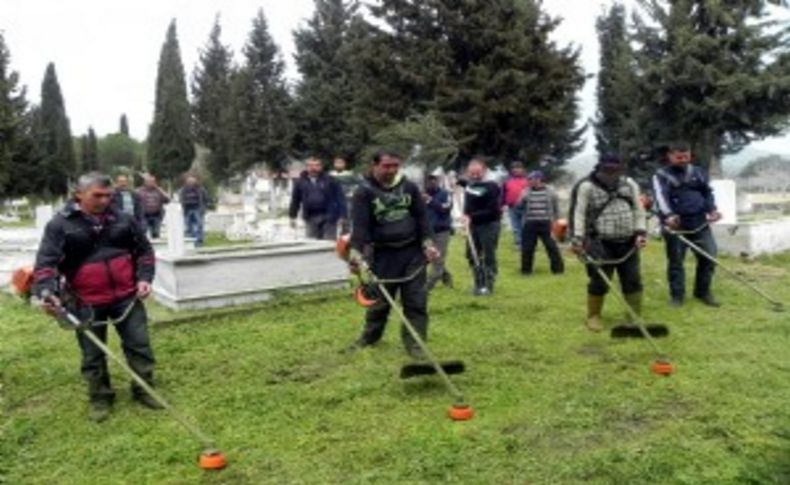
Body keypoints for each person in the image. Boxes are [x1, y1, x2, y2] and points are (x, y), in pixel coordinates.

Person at [32, 172, 161, 422]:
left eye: (108, 195)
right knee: (92, 354)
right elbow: (46, 264)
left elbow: (144, 251)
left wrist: (145, 278)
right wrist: (48, 292)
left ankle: (144, 389)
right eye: (97, 195)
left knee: (140, 345)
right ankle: (100, 397)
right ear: (78, 195)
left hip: (127, 297)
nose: (104, 200)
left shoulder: (124, 219)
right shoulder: (60, 225)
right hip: (85, 301)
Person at [346, 151, 440, 357]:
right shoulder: (364, 192)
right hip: (383, 255)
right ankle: (370, 337)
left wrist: (428, 244)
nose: (391, 170)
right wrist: (355, 254)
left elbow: (422, 219)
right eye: (386, 166)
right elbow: (360, 228)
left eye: (395, 166)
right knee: (380, 302)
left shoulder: (409, 187)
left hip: (413, 253)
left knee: (416, 301)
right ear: (374, 166)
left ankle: (416, 345)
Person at [570, 154, 647, 332]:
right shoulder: (586, 186)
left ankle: (634, 316)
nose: (612, 172)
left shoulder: (629, 184)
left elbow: (638, 209)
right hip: (600, 242)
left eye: (616, 169)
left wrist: (641, 232)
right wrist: (578, 239)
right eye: (608, 169)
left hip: (628, 241)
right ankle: (594, 316)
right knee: (599, 281)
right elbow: (579, 214)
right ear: (600, 167)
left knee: (633, 280)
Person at [652, 142, 722, 307]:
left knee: (709, 256)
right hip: (676, 226)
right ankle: (677, 296)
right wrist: (668, 215)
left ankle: (702, 292)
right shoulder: (660, 175)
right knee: (676, 262)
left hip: (699, 223)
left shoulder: (698, 172)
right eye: (679, 157)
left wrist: (712, 210)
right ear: (670, 156)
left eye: (686, 156)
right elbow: (661, 198)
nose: (683, 160)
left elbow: (707, 193)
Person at [462, 158, 502, 295]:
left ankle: (489, 285)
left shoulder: (492, 186)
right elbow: (468, 206)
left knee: (488, 255)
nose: (474, 175)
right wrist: (465, 216)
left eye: (478, 172)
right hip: (472, 226)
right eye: (472, 173)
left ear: (484, 171)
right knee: (472, 254)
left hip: (489, 225)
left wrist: (471, 216)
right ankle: (478, 284)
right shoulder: (470, 186)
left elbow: (493, 210)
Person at [517, 170, 564, 275]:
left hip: (547, 222)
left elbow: (556, 208)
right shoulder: (525, 191)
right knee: (527, 248)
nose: (529, 181)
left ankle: (558, 270)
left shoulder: (550, 191)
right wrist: (522, 198)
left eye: (531, 179)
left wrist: (557, 222)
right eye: (529, 179)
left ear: (539, 179)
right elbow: (518, 206)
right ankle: (526, 271)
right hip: (530, 223)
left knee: (551, 247)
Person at [289, 157, 347, 240]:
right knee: (312, 245)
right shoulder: (300, 182)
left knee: (329, 243)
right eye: (310, 165)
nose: (313, 168)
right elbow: (295, 200)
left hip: (329, 216)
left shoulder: (331, 180)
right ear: (306, 167)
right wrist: (292, 216)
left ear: (321, 167)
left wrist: (343, 215)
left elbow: (340, 198)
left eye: (317, 165)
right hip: (310, 217)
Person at [424, 174, 454, 290]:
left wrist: (430, 200)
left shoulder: (445, 194)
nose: (431, 184)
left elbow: (445, 209)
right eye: (429, 181)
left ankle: (426, 288)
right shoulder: (419, 195)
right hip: (427, 233)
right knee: (432, 259)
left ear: (438, 182)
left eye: (434, 181)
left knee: (438, 260)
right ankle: (446, 276)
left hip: (442, 231)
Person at [329, 157, 359, 233]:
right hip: (334, 200)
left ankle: (346, 233)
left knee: (347, 216)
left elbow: (358, 185)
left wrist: (351, 192)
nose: (339, 164)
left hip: (347, 199)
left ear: (344, 164)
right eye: (337, 163)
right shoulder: (330, 175)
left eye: (341, 162)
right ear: (334, 164)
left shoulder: (350, 174)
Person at [502, 161, 529, 248]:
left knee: (525, 225)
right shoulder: (507, 181)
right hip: (512, 206)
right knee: (515, 226)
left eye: (518, 168)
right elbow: (503, 193)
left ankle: (527, 243)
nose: (516, 170)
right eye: (514, 168)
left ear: (522, 169)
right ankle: (518, 243)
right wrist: (501, 205)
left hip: (526, 206)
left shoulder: (527, 180)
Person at [179, 174, 210, 247]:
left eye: (192, 181)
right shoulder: (183, 189)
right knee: (189, 226)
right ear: (186, 182)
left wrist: (204, 208)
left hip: (197, 209)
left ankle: (199, 241)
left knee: (199, 225)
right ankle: (192, 240)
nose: (190, 183)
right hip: (187, 210)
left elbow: (206, 198)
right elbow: (181, 199)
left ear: (195, 181)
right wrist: (182, 207)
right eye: (189, 181)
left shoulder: (200, 189)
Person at [136, 174, 170, 239]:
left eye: (153, 181)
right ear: (145, 182)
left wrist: (159, 189)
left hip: (157, 215)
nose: (151, 183)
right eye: (149, 181)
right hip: (144, 215)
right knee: (142, 231)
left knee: (156, 233)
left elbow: (168, 199)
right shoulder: (139, 191)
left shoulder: (159, 191)